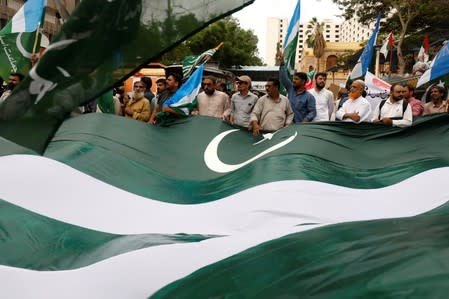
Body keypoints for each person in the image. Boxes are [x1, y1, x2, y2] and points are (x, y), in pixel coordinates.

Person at [277, 51, 316, 123]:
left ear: (303, 81)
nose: (293, 81)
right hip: (287, 125)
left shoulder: (309, 97)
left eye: (296, 79)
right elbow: (283, 78)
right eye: (293, 79)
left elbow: (312, 112)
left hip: (300, 127)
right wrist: (282, 63)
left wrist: (306, 120)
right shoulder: (290, 89)